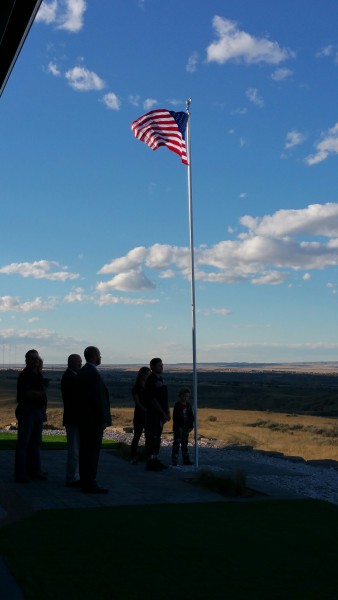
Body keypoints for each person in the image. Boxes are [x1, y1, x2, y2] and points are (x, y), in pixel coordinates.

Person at [77, 346, 111, 493]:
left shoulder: (82, 372)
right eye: (99, 355)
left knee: (85, 451)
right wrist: (104, 419)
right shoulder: (92, 373)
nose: (100, 357)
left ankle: (86, 481)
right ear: (94, 356)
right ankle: (90, 482)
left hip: (84, 419)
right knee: (92, 452)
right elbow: (98, 400)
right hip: (93, 421)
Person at [14, 349, 48, 483]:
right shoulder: (26, 375)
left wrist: (44, 410)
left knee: (36, 443)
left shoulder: (37, 374)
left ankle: (34, 470)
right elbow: (29, 394)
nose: (35, 361)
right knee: (24, 444)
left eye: (36, 358)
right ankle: (20, 473)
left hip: (37, 411)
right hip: (27, 410)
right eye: (32, 358)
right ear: (27, 360)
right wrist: (42, 392)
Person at [144, 357, 170, 471]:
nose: (162, 367)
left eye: (162, 365)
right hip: (153, 414)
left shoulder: (161, 379)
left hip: (161, 414)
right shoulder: (151, 380)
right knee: (152, 437)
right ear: (153, 367)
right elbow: (152, 399)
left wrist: (167, 412)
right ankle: (150, 461)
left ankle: (155, 459)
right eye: (159, 365)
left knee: (157, 437)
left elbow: (164, 398)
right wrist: (161, 412)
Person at [61, 354, 82, 487]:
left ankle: (75, 475)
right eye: (79, 363)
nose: (80, 365)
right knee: (74, 449)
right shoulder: (70, 377)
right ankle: (72, 477)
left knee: (75, 449)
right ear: (72, 363)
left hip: (74, 418)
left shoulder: (71, 376)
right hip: (74, 418)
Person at [130, 366, 150, 464]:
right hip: (139, 414)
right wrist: (145, 409)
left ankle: (147, 456)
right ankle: (133, 456)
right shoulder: (137, 387)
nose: (148, 376)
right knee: (137, 436)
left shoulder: (149, 386)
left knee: (148, 436)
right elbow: (137, 402)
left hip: (148, 414)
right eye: (147, 374)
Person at [171, 388, 194, 466]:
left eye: (187, 396)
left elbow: (191, 416)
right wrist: (178, 426)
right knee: (176, 444)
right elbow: (175, 417)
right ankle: (174, 460)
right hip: (178, 428)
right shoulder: (177, 405)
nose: (186, 398)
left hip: (186, 427)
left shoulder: (189, 406)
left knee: (185, 444)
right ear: (180, 396)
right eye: (184, 396)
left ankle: (186, 460)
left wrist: (191, 425)